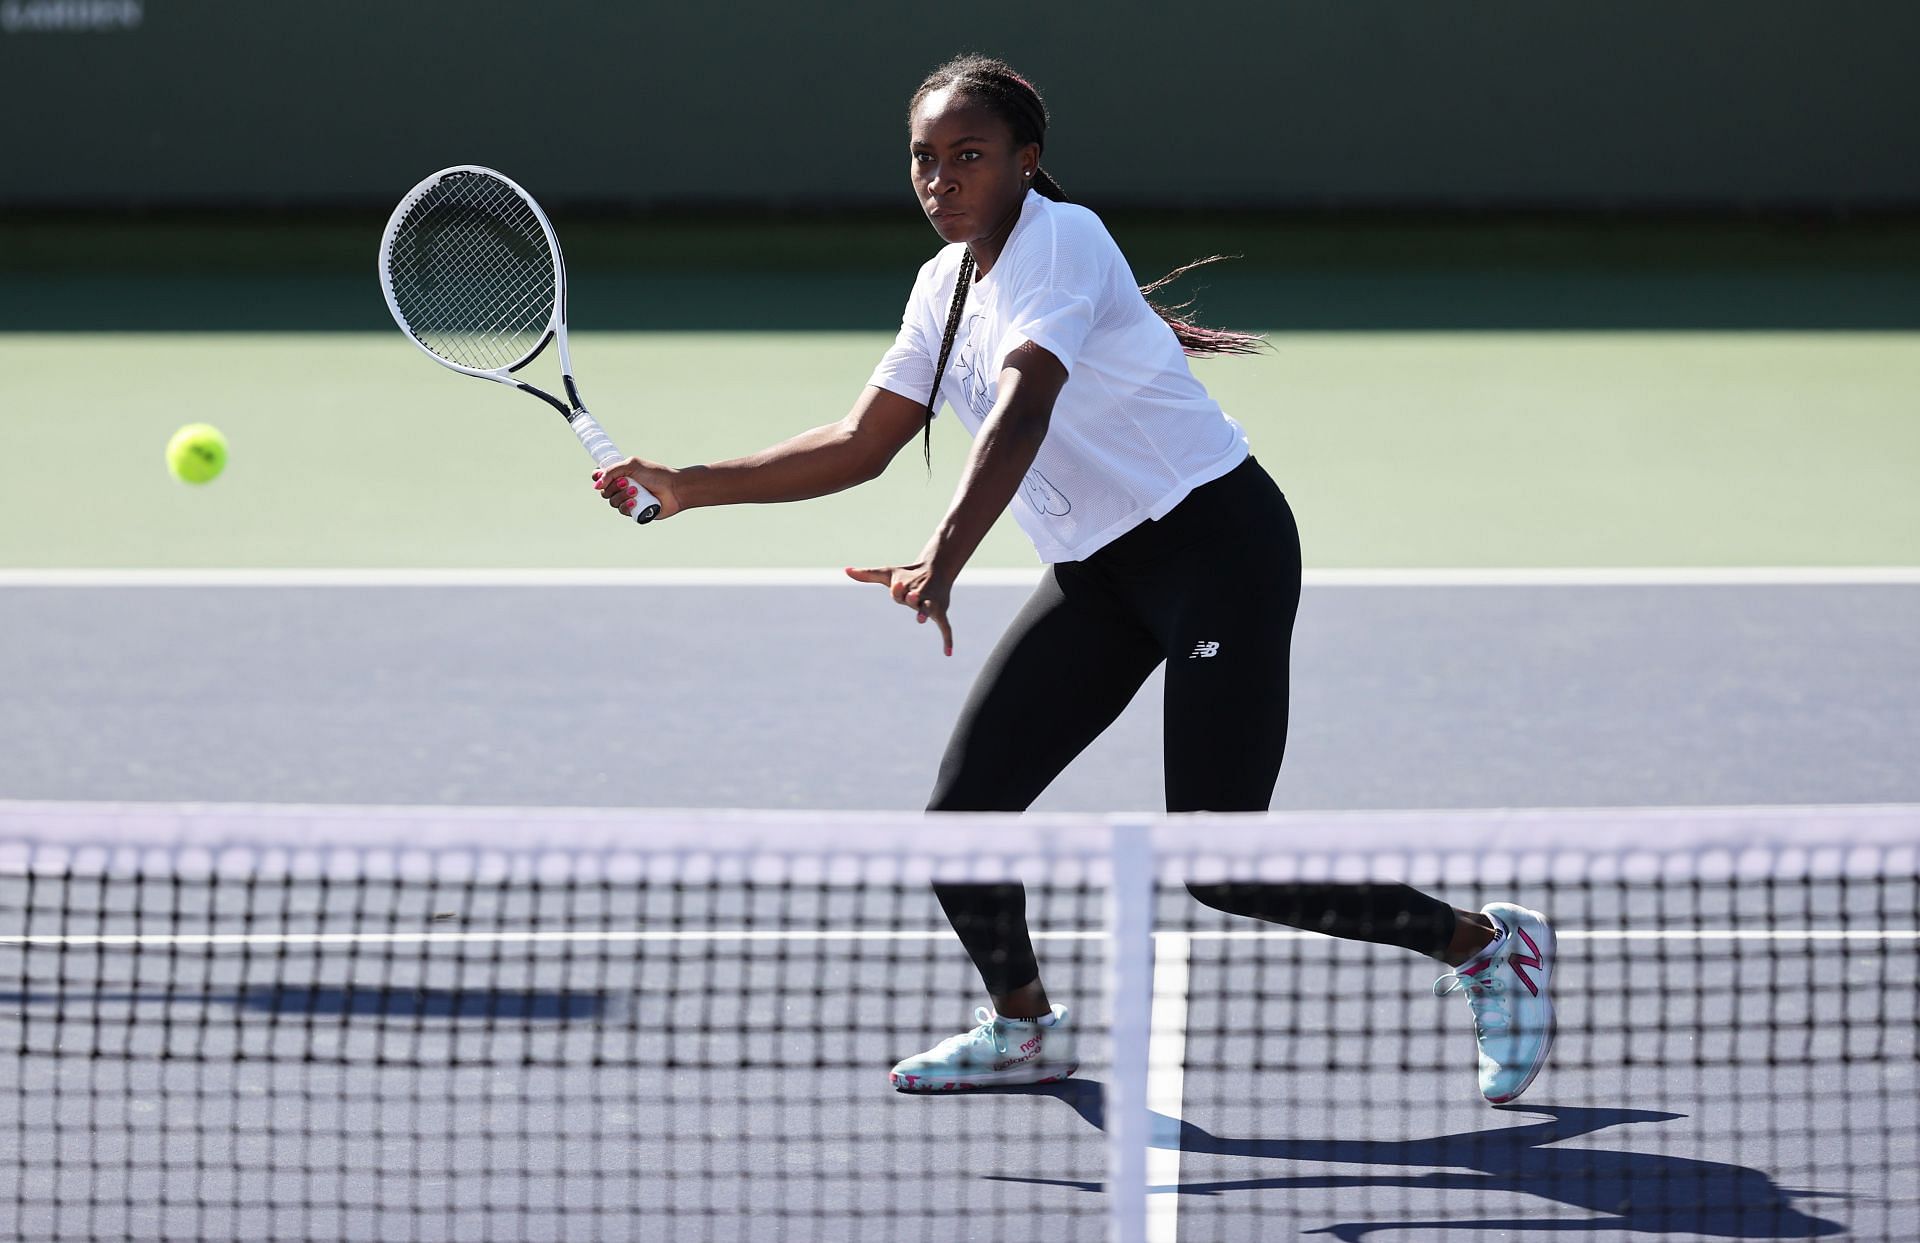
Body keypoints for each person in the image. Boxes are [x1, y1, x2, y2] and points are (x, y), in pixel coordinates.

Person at [593, 54, 1555, 1105]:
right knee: (962, 822)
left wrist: (945, 556)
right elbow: (862, 441)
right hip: (1100, 573)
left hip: (1215, 547)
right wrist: (687, 486)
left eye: (969, 156)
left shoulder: (1064, 240)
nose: (942, 180)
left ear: (1026, 161)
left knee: (1222, 864)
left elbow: (1022, 410)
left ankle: (1480, 943)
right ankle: (1025, 1028)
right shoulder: (940, 288)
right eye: (925, 160)